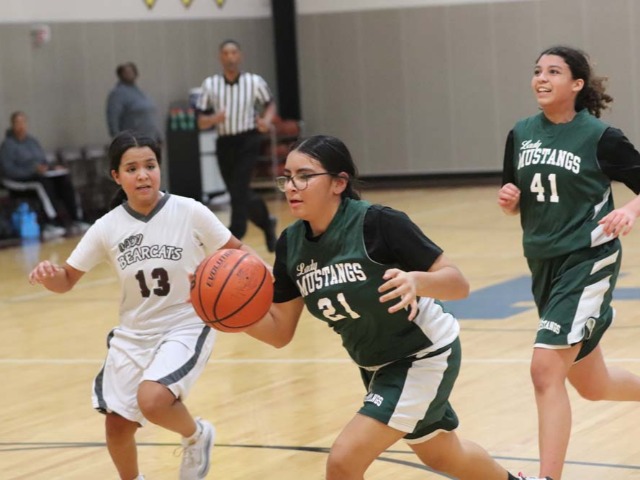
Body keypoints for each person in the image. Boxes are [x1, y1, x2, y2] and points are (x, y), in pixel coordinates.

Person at [245, 134, 547, 480]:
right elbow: (280, 331)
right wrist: (224, 316)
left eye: (304, 176)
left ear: (339, 183)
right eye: (287, 177)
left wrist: (417, 281)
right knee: (443, 453)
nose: (291, 187)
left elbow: (458, 283)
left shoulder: (378, 223)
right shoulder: (291, 244)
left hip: (421, 354)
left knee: (343, 460)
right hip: (376, 363)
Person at [28, 130, 265, 480]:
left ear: (159, 169)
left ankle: (197, 436)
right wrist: (50, 276)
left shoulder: (189, 211)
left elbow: (239, 252)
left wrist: (268, 279)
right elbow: (66, 279)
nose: (143, 175)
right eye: (132, 169)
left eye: (150, 166)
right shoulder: (106, 227)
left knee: (152, 400)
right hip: (134, 333)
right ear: (116, 176)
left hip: (185, 324)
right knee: (117, 428)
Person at [497, 45, 640, 480]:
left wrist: (630, 210)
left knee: (544, 370)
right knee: (593, 385)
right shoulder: (521, 133)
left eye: (554, 72)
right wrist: (510, 199)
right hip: (543, 263)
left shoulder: (600, 137)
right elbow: (519, 195)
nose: (541, 78)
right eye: (537, 70)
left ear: (577, 84)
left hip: (587, 260)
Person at [196, 39, 278, 252]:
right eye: (226, 53)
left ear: (240, 56)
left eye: (233, 52)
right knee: (238, 192)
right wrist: (214, 119)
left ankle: (236, 232)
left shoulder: (254, 81)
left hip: (248, 140)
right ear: (220, 57)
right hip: (224, 142)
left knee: (239, 188)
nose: (230, 57)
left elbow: (270, 104)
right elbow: (200, 120)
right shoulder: (210, 84)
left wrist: (266, 120)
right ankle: (267, 223)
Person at [0, 111, 88, 238]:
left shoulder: (32, 142)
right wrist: (32, 171)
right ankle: (51, 221)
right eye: (18, 123)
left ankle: (76, 218)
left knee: (64, 180)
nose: (21, 126)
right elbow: (8, 170)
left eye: (23, 122)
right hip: (18, 180)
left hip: (39, 175)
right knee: (42, 184)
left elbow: (42, 161)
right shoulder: (7, 146)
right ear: (12, 125)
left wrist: (51, 168)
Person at [106, 62, 162, 143]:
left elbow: (150, 116)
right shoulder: (118, 93)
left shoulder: (140, 92)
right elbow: (113, 118)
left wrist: (158, 136)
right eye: (126, 72)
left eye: (131, 71)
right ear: (120, 75)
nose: (129, 74)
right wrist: (117, 140)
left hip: (150, 138)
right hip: (133, 141)